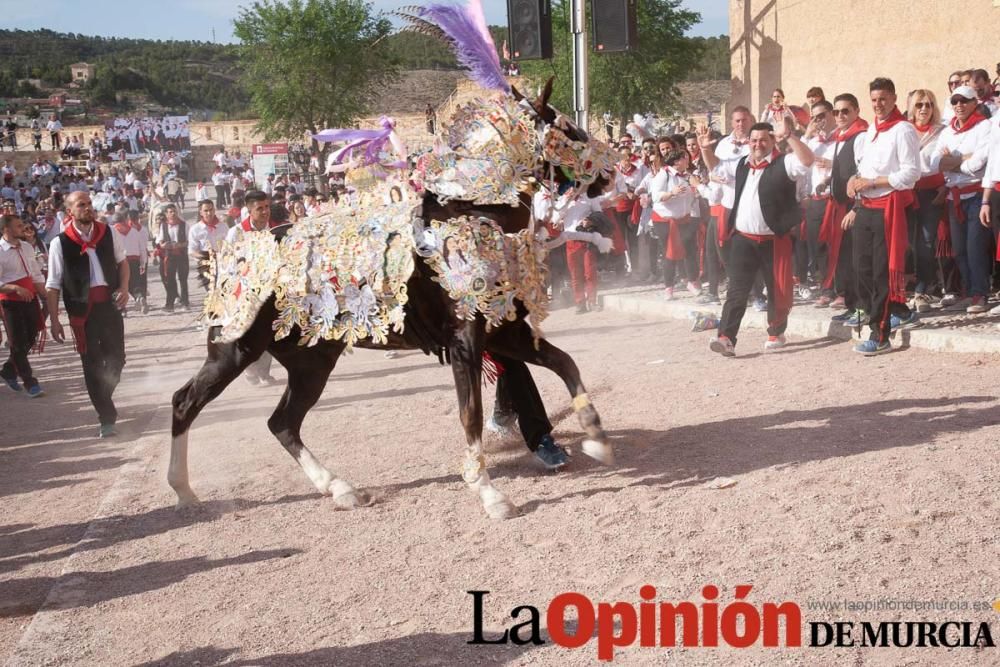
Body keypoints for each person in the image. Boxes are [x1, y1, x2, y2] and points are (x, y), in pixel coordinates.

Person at [700, 115, 815, 356]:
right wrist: (704, 148)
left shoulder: (785, 163)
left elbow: (807, 160)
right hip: (743, 239)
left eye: (763, 140)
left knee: (777, 290)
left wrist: (789, 136)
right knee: (737, 290)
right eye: (753, 140)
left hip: (775, 240)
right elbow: (716, 167)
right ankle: (726, 337)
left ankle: (776, 330)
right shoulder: (742, 163)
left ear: (773, 141)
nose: (757, 144)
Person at [843, 77, 920, 355]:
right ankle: (894, 310)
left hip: (889, 208)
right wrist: (855, 180)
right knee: (860, 268)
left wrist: (874, 182)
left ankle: (880, 332)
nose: (878, 104)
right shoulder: (869, 131)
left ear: (894, 98)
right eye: (874, 100)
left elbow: (911, 174)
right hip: (865, 207)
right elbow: (863, 167)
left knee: (881, 273)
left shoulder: (903, 130)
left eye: (884, 99)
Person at [45, 191, 129, 437]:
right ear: (70, 211)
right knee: (92, 365)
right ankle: (106, 417)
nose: (88, 208)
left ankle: (103, 397)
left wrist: (124, 287)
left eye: (90, 203)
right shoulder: (59, 243)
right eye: (82, 205)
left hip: (109, 307)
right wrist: (55, 320)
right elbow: (53, 285)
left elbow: (122, 262)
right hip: (83, 315)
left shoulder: (108, 232)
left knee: (117, 359)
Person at [930, 84, 993, 313]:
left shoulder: (985, 126)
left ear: (974, 103)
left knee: (975, 246)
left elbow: (980, 162)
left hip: (976, 194)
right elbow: (933, 162)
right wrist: (962, 161)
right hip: (954, 195)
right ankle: (968, 290)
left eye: (964, 101)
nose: (959, 105)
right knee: (959, 249)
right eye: (955, 101)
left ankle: (980, 293)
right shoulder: (947, 131)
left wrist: (953, 162)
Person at [226, 190, 279, 385]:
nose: (265, 212)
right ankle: (249, 369)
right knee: (248, 333)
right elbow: (228, 263)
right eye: (260, 208)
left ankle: (264, 372)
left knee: (268, 332)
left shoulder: (274, 229)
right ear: (249, 210)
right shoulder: (236, 233)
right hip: (245, 291)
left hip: (270, 290)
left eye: (267, 207)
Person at [0, 214, 46, 397]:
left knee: (32, 336)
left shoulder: (27, 247)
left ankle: (9, 370)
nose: (23, 228)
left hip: (30, 297)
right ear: (6, 229)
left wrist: (46, 296)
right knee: (17, 342)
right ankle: (30, 382)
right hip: (10, 301)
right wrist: (14, 288)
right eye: (18, 226)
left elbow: (35, 274)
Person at [802, 100, 838, 305]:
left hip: (834, 198)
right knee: (818, 246)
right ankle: (826, 288)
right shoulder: (812, 142)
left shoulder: (841, 138)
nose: (819, 121)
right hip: (815, 199)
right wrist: (806, 135)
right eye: (814, 117)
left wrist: (834, 165)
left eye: (822, 116)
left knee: (838, 245)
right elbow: (799, 164)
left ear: (831, 114)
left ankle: (840, 288)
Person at [649, 149, 698, 299]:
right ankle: (668, 287)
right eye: (685, 158)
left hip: (684, 218)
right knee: (669, 253)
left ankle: (692, 282)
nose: (688, 161)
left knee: (690, 251)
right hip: (665, 221)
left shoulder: (688, 176)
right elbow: (656, 196)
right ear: (676, 161)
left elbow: (690, 196)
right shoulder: (664, 174)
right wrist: (672, 192)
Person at [114, 210, 150, 314]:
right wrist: (143, 262)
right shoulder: (134, 231)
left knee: (119, 285)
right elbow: (142, 248)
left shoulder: (113, 232)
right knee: (135, 283)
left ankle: (122, 309)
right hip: (134, 261)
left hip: (120, 262)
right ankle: (139, 297)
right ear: (125, 220)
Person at [157, 204, 189, 312]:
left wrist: (180, 245)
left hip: (182, 255)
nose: (173, 214)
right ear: (166, 214)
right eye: (170, 212)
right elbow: (160, 241)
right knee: (170, 280)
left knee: (183, 280)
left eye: (174, 211)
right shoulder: (164, 226)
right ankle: (170, 304)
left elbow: (189, 241)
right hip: (169, 256)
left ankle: (185, 303)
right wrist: (165, 245)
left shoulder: (184, 225)